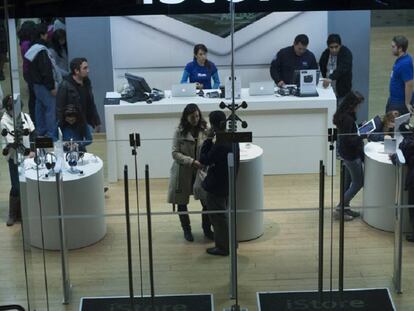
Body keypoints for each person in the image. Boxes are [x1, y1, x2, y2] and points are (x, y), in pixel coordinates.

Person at [167, 104, 213, 242]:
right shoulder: (179, 132)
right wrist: (191, 161)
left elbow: (211, 145)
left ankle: (206, 229)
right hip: (183, 171)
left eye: (198, 116)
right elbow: (175, 153)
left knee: (207, 201)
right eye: (192, 117)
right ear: (186, 117)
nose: (196, 119)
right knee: (181, 203)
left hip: (200, 171)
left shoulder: (205, 129)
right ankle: (186, 230)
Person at [200, 111, 240, 256]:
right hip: (227, 183)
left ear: (213, 125)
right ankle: (231, 244)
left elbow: (204, 159)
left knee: (219, 219)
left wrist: (208, 139)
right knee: (224, 217)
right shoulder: (232, 138)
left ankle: (223, 248)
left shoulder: (220, 144)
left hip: (216, 187)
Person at [1, 95, 35, 226]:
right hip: (14, 157)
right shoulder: (4, 122)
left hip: (28, 157)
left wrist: (32, 150)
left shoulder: (25, 116)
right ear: (8, 109)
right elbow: (12, 143)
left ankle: (23, 212)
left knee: (27, 184)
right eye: (13, 109)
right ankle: (12, 214)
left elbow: (33, 132)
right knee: (16, 186)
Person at [25, 23, 62, 140]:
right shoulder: (41, 51)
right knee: (50, 110)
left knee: (39, 109)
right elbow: (46, 70)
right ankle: (51, 136)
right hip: (45, 86)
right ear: (42, 35)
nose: (48, 36)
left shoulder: (31, 49)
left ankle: (41, 133)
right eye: (46, 33)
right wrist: (52, 87)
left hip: (36, 85)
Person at [333, 91, 365, 221]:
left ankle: (345, 208)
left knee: (347, 183)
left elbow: (348, 135)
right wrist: (362, 136)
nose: (359, 107)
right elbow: (349, 140)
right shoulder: (347, 119)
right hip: (351, 155)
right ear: (352, 104)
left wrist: (359, 128)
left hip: (345, 153)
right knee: (358, 183)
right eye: (358, 105)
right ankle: (341, 208)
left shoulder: (344, 115)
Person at [56, 58, 101, 132]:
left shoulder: (87, 82)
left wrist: (97, 121)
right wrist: (60, 129)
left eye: (87, 67)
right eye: (85, 68)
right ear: (76, 71)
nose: (88, 70)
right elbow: (59, 109)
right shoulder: (65, 85)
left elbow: (91, 104)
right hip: (71, 125)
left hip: (86, 123)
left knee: (88, 141)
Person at [319, 34, 353, 105]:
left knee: (341, 113)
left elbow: (343, 68)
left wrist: (331, 78)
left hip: (342, 91)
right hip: (328, 90)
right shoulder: (325, 54)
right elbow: (322, 65)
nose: (334, 49)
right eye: (331, 47)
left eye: (336, 47)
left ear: (340, 45)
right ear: (328, 47)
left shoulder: (346, 53)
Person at [386, 35, 414, 115]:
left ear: (400, 48)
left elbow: (409, 84)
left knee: (394, 126)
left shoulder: (404, 64)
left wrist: (407, 103)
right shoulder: (402, 59)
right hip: (393, 99)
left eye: (393, 47)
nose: (391, 48)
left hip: (399, 104)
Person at [17, 20, 37, 124]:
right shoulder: (27, 44)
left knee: (32, 96)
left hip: (26, 71)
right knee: (33, 97)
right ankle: (33, 117)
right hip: (30, 72)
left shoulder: (23, 42)